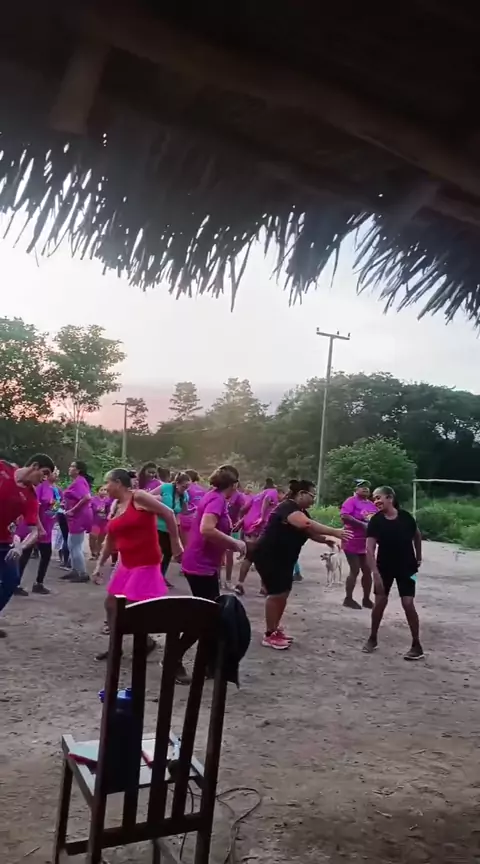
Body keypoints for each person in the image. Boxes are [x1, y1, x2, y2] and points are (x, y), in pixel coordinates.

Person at [92, 468, 183, 660]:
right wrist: (99, 565)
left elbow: (167, 512)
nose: (105, 487)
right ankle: (116, 647)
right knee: (111, 604)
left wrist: (175, 542)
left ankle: (146, 642)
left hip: (145, 562)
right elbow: (110, 540)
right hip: (127, 563)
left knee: (133, 607)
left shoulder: (138, 497)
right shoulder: (116, 506)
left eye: (107, 482)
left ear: (118, 483)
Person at [252, 479, 352, 650]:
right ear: (301, 494)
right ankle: (269, 634)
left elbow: (309, 531)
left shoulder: (301, 511)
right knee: (276, 594)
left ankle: (275, 628)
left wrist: (325, 540)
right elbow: (304, 523)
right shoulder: (287, 507)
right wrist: (334, 531)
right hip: (269, 556)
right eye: (312, 495)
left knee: (283, 593)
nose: (313, 499)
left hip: (284, 558)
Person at [177, 465, 246, 682]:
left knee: (210, 615)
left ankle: (208, 665)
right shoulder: (217, 500)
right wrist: (234, 543)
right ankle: (174, 658)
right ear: (234, 484)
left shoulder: (214, 496)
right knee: (205, 616)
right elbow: (207, 529)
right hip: (200, 564)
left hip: (204, 562)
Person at [363, 486, 424, 660]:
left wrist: (418, 557)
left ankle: (416, 645)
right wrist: (375, 574)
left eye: (378, 497)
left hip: (407, 568)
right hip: (384, 568)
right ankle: (372, 638)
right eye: (374, 498)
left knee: (408, 603)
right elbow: (369, 549)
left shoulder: (406, 517)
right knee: (380, 603)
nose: (375, 501)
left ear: (390, 498)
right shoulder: (376, 521)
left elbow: (417, 535)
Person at [0, 454, 55, 635]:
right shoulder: (3, 468)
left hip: (5, 542)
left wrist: (20, 547)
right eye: (44, 473)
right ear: (34, 466)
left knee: (11, 580)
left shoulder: (31, 497)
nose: (44, 479)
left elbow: (35, 532)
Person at [18, 468, 62, 595]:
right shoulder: (40, 487)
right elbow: (34, 508)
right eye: (54, 472)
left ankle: (39, 583)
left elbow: (57, 505)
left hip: (47, 527)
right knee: (25, 554)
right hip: (35, 526)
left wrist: (54, 510)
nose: (56, 474)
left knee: (46, 555)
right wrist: (38, 526)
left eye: (57, 473)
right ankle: (15, 584)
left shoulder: (57, 489)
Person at [234, 478, 279, 595]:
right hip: (260, 526)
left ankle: (240, 584)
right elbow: (267, 500)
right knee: (266, 557)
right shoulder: (273, 492)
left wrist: (241, 520)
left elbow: (244, 509)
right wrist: (262, 517)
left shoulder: (257, 496)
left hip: (249, 525)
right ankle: (264, 587)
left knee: (249, 556)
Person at [340, 480, 377, 609]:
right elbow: (345, 516)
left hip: (365, 542)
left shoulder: (372, 505)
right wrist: (362, 524)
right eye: (362, 487)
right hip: (351, 539)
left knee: (367, 571)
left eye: (367, 487)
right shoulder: (351, 501)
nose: (365, 489)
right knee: (354, 569)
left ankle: (366, 599)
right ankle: (348, 598)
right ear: (355, 490)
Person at [151, 472, 191, 585]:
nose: (185, 489)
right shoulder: (166, 487)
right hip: (157, 525)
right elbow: (147, 497)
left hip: (170, 527)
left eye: (187, 487)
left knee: (168, 552)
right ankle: (152, 576)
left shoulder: (184, 495)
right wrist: (157, 499)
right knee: (157, 552)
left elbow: (184, 511)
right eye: (184, 486)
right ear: (177, 483)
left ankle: (160, 576)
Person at [62, 460, 93, 583]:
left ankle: (83, 573)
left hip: (79, 517)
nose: (69, 468)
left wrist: (73, 510)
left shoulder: (79, 481)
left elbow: (87, 497)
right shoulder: (78, 481)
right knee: (72, 544)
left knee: (75, 545)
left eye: (72, 466)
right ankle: (75, 570)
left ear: (78, 470)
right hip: (76, 517)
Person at [179, 469, 207, 546]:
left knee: (185, 545)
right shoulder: (202, 490)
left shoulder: (185, 488)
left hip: (186, 518)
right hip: (199, 518)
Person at [89, 486, 111, 560]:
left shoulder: (108, 500)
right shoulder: (93, 500)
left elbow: (110, 511)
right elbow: (89, 510)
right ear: (97, 491)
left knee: (101, 539)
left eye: (105, 490)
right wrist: (96, 510)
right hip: (95, 522)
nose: (104, 491)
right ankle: (93, 552)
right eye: (101, 490)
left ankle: (97, 553)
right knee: (93, 537)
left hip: (104, 522)